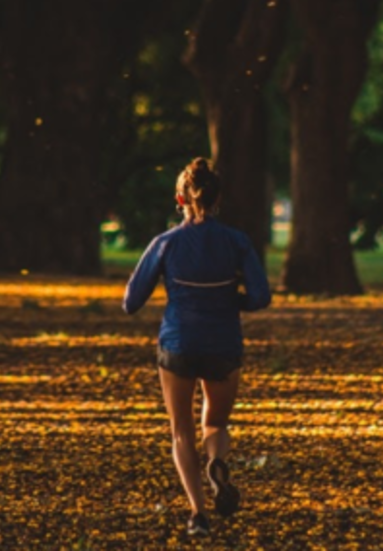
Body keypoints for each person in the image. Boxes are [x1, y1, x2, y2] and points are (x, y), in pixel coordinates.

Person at [123, 157, 271, 537]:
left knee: (181, 431)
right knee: (216, 423)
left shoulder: (165, 243)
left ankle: (198, 514)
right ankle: (217, 464)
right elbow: (260, 296)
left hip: (178, 343)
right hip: (223, 343)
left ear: (179, 198)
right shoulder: (237, 242)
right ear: (218, 199)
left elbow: (131, 301)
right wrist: (231, 300)